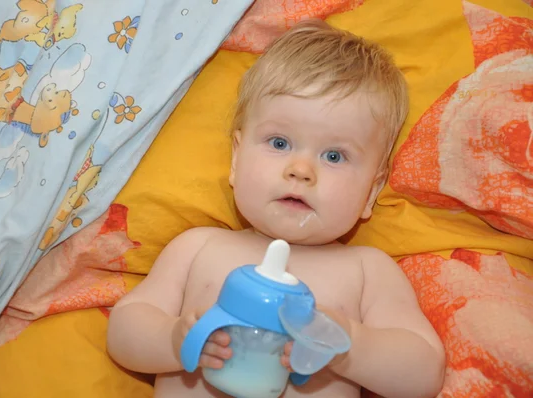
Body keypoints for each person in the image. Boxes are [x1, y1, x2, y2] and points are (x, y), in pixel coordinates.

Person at [107, 19, 445, 398]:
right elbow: (124, 329)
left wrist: (350, 345)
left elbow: (424, 374)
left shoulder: (367, 271)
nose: (300, 170)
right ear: (236, 159)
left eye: (334, 155)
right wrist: (174, 341)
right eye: (280, 143)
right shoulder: (198, 247)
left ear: (372, 191)